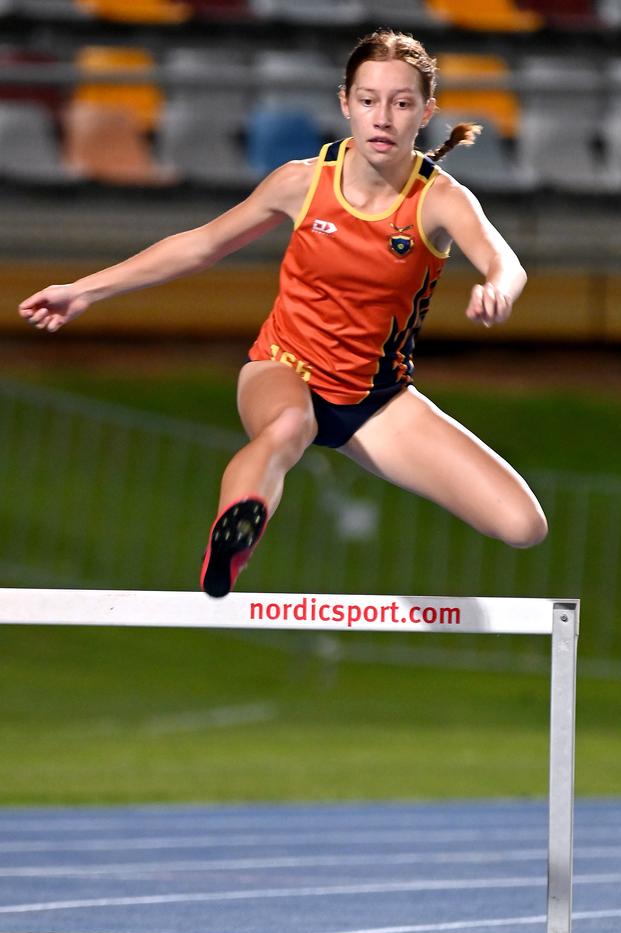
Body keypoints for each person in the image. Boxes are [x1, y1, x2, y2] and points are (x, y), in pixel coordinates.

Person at [19, 29, 548, 599]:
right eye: (369, 100)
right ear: (345, 102)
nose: (383, 118)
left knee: (522, 526)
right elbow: (201, 244)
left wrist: (498, 287)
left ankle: (254, 509)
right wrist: (84, 291)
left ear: (426, 112)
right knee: (290, 426)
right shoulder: (301, 182)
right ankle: (231, 543)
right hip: (282, 369)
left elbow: (505, 261)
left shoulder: (440, 199)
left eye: (401, 103)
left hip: (374, 399)